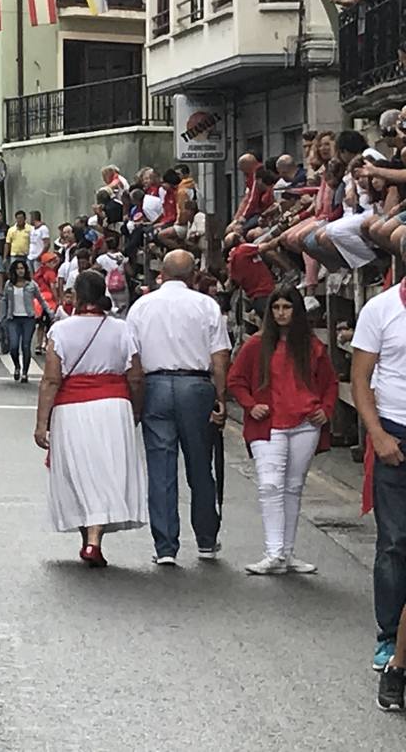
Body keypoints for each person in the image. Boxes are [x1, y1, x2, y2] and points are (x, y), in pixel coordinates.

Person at [34, 271, 147, 567]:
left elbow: (50, 380)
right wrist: (135, 411)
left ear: (78, 297)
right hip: (114, 406)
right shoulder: (122, 330)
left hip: (72, 409)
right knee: (104, 470)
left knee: (80, 471)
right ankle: (93, 541)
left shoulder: (61, 331)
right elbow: (135, 376)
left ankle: (91, 540)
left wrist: (41, 423)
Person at [127, 250, 230, 566]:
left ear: (163, 274)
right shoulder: (206, 305)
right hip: (195, 385)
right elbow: (220, 356)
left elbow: (133, 359)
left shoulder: (141, 306)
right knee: (201, 465)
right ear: (193, 274)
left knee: (161, 468)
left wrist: (136, 400)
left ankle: (166, 546)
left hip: (155, 385)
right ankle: (206, 540)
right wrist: (221, 398)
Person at [227, 287, 337, 576]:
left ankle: (286, 553)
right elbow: (235, 379)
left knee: (293, 487)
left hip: (305, 424)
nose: (281, 313)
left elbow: (330, 383)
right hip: (270, 424)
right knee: (270, 485)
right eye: (276, 308)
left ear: (296, 311)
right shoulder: (256, 344)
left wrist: (325, 409)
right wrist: (251, 405)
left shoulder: (312, 347)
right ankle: (274, 551)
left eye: (287, 307)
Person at [351, 271, 406, 672]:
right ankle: (388, 637)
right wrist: (377, 435)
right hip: (396, 436)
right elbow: (360, 379)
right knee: (394, 542)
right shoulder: (381, 309)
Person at [0, 259, 51, 383]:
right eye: (18, 268)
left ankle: (25, 372)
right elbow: (4, 300)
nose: (20, 271)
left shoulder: (31, 285)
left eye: (22, 268)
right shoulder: (9, 284)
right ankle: (17, 366)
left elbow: (41, 300)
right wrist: (2, 317)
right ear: (14, 270)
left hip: (28, 319)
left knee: (26, 346)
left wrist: (50, 312)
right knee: (13, 346)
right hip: (13, 319)